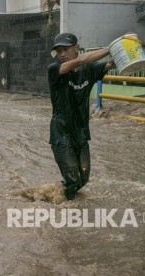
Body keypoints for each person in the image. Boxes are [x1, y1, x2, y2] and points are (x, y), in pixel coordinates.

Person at [47, 33, 116, 200]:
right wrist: (112, 47)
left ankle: (56, 195)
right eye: (58, 51)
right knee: (73, 178)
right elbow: (79, 61)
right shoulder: (55, 69)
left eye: (66, 49)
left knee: (83, 178)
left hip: (80, 132)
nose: (62, 54)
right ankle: (67, 211)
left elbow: (110, 64)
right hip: (61, 133)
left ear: (77, 48)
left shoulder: (89, 70)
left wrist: (125, 48)